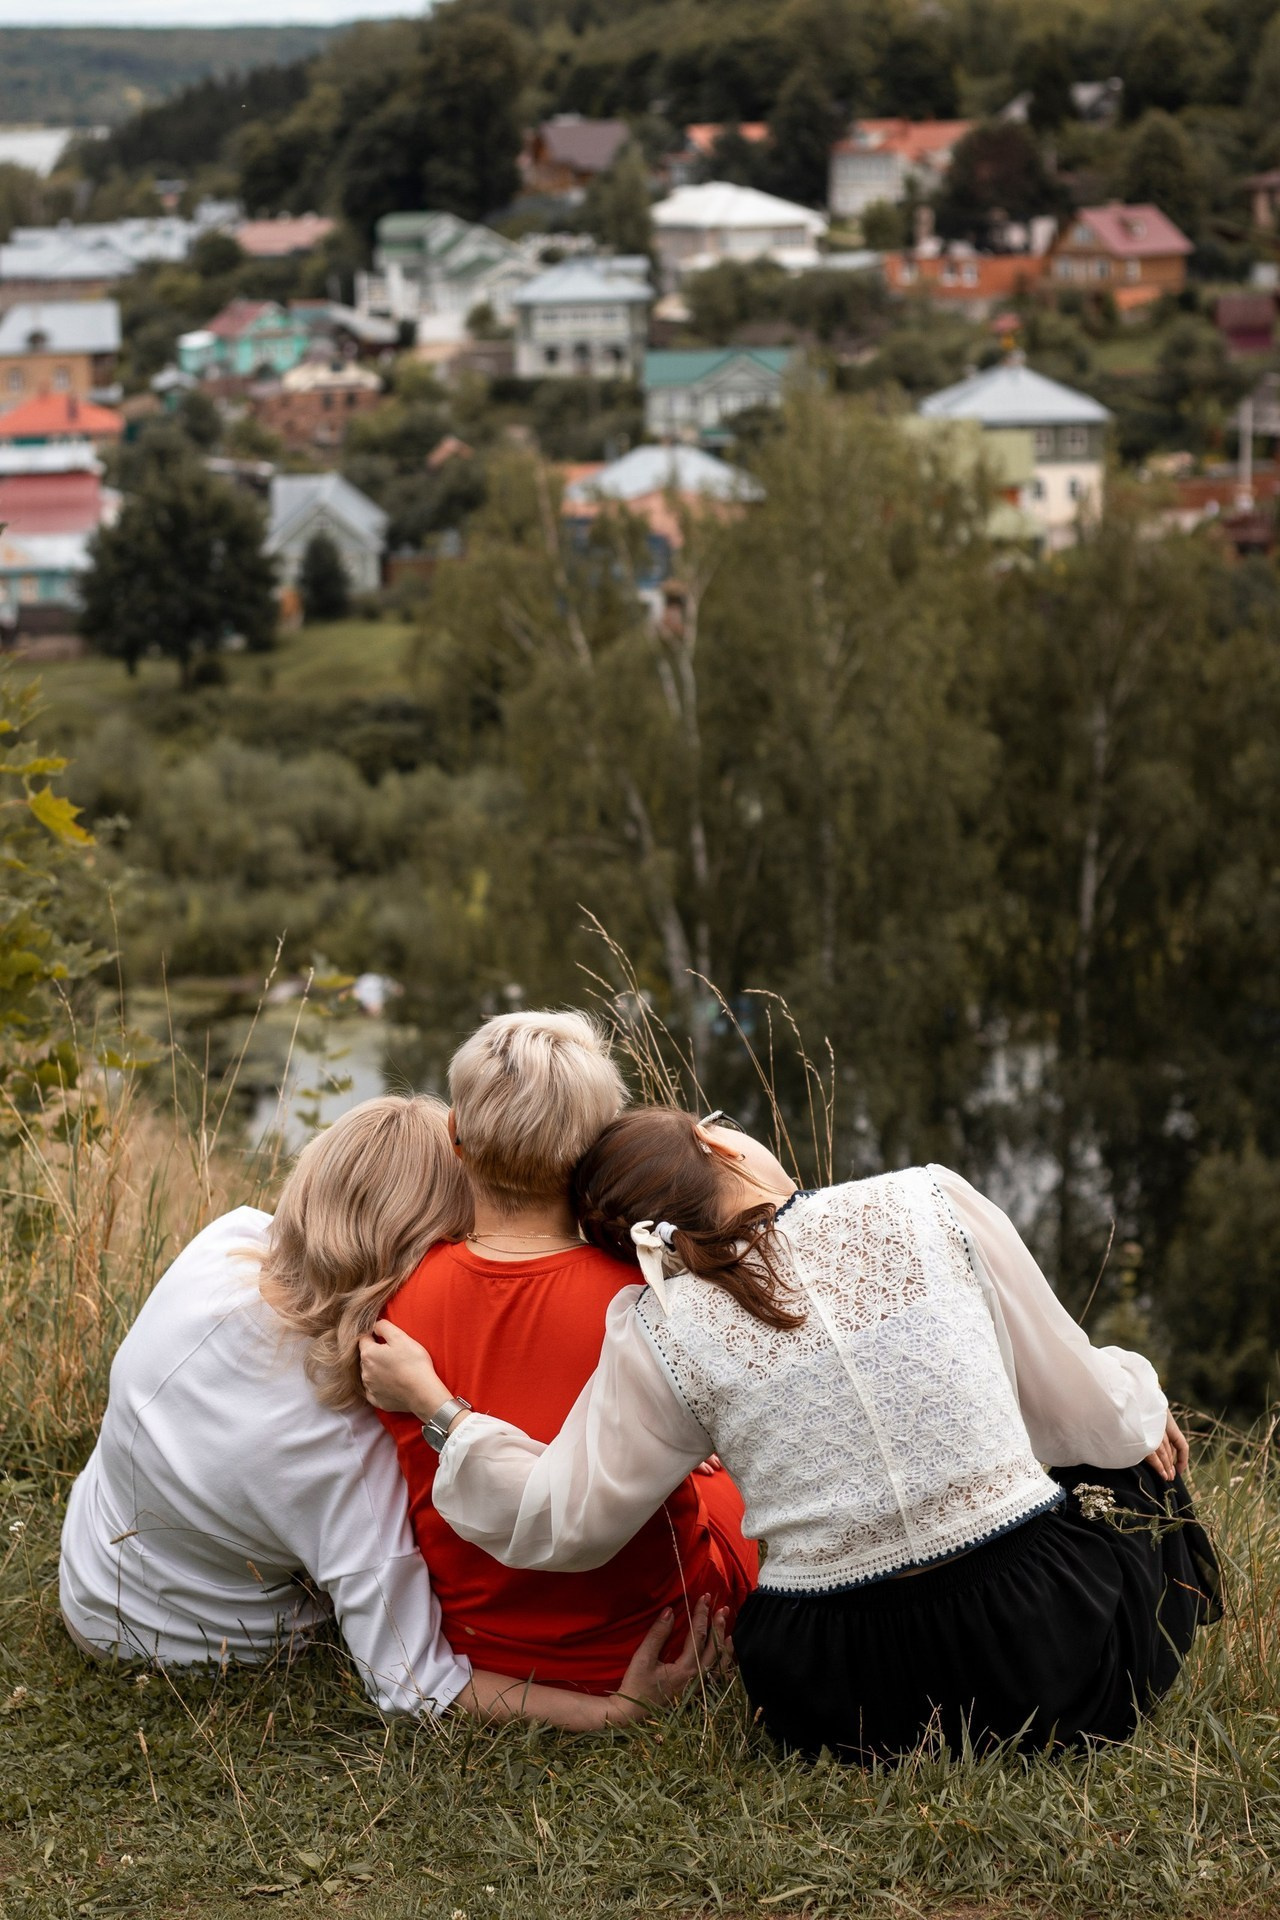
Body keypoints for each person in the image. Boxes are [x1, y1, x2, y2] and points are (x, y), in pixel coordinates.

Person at [361, 1105, 1221, 1760]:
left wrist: (440, 1410)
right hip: (1048, 1649)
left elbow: (563, 1521)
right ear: (721, 1144)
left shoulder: (658, 1325)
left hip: (838, 1695)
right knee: (1129, 1448)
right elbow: (1078, 1403)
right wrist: (1142, 1407)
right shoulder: (928, 1198)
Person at [59, 1095, 717, 1730]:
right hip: (175, 1640)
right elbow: (411, 1683)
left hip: (91, 1558)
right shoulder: (343, 1446)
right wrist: (611, 1711)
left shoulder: (225, 1239)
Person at [370, 1015, 757, 1697]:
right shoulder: (648, 1299)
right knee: (724, 1482)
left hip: (481, 1646)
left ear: (455, 1134)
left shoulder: (392, 1302)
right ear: (595, 1154)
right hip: (659, 1643)